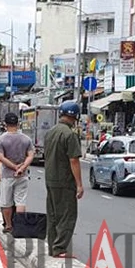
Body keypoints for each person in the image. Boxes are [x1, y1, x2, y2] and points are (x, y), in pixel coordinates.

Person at [43, 100, 84, 258]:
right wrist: (79, 184)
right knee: (67, 215)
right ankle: (60, 248)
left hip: (50, 178)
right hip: (65, 181)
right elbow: (74, 160)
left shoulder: (51, 132)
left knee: (53, 214)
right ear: (75, 117)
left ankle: (53, 247)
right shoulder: (70, 134)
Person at [0, 112, 35, 233]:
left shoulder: (2, 139)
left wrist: (12, 167)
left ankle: (8, 225)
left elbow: (0, 157)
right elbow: (31, 155)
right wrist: (21, 168)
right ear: (18, 124)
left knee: (6, 202)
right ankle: (20, 225)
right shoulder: (26, 139)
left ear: (5, 124)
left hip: (7, 175)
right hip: (23, 175)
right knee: (20, 201)